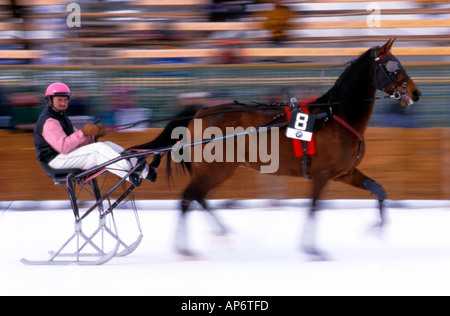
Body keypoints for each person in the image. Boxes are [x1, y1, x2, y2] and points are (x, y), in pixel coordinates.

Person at [34, 82, 160, 186]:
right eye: (59, 100)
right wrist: (84, 132)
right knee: (97, 150)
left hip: (65, 157)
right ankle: (130, 172)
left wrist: (93, 135)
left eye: (65, 99)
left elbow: (76, 139)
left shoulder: (61, 116)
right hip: (55, 161)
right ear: (50, 100)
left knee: (107, 144)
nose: (63, 103)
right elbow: (64, 146)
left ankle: (146, 171)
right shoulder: (49, 121)